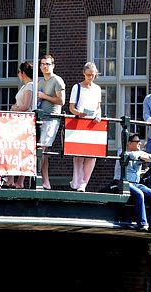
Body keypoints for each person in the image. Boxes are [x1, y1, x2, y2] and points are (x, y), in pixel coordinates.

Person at [68, 62, 103, 192]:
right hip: (79, 122)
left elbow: (98, 107)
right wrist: (79, 113)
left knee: (92, 154)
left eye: (93, 75)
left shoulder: (97, 89)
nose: (90, 78)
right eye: (88, 75)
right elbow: (71, 107)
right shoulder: (76, 87)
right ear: (84, 73)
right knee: (78, 153)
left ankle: (84, 183)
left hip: (93, 123)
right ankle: (77, 181)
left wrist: (98, 115)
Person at [36, 54, 65, 191]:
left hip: (52, 118)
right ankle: (45, 181)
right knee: (43, 151)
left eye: (47, 64)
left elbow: (61, 101)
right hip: (41, 119)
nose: (44, 66)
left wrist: (44, 96)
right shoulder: (40, 81)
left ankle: (38, 177)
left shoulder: (57, 80)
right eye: (42, 64)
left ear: (53, 66)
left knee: (42, 149)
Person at [120, 133, 151, 233]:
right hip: (124, 182)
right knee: (139, 194)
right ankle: (142, 224)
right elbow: (131, 155)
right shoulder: (122, 152)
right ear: (129, 143)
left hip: (136, 183)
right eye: (137, 141)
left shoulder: (140, 153)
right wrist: (141, 155)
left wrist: (143, 156)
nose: (140, 143)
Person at [7, 61, 35, 188]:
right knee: (15, 149)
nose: (18, 74)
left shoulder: (29, 86)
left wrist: (14, 108)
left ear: (22, 73)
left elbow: (26, 106)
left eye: (19, 72)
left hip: (24, 122)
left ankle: (19, 181)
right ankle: (12, 179)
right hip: (19, 122)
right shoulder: (26, 86)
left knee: (20, 150)